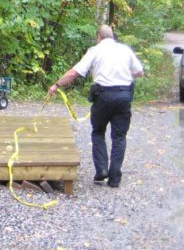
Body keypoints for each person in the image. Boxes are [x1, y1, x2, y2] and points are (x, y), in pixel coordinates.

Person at [48, 25, 144, 188]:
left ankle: (101, 171)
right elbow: (139, 72)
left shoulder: (95, 50)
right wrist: (125, 75)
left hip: (103, 96)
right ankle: (114, 179)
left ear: (98, 37)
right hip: (124, 96)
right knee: (119, 137)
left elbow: (74, 73)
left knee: (98, 132)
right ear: (112, 37)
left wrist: (56, 85)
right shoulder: (125, 50)